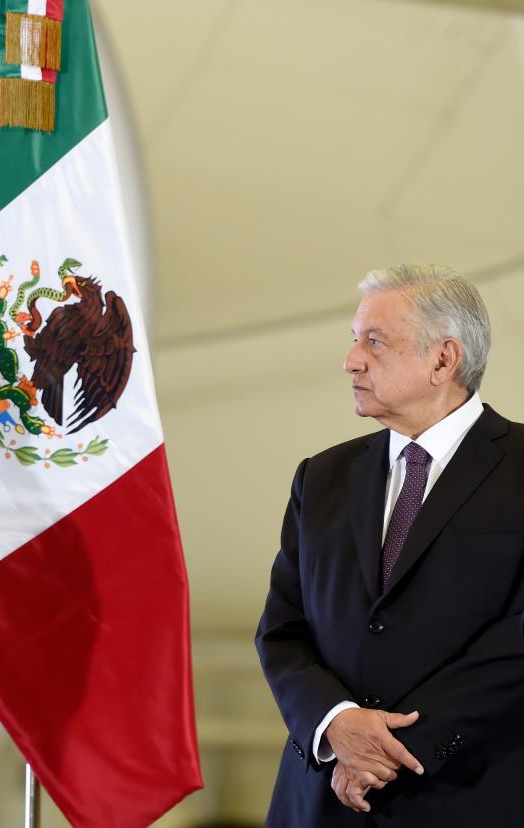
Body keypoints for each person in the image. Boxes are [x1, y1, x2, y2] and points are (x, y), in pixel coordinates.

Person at [256, 264, 524, 826]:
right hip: (320, 801)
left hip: (470, 795)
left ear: (443, 359)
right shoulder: (322, 476)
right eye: (354, 339)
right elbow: (283, 630)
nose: (351, 359)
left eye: (374, 341)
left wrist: (389, 751)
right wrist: (335, 723)